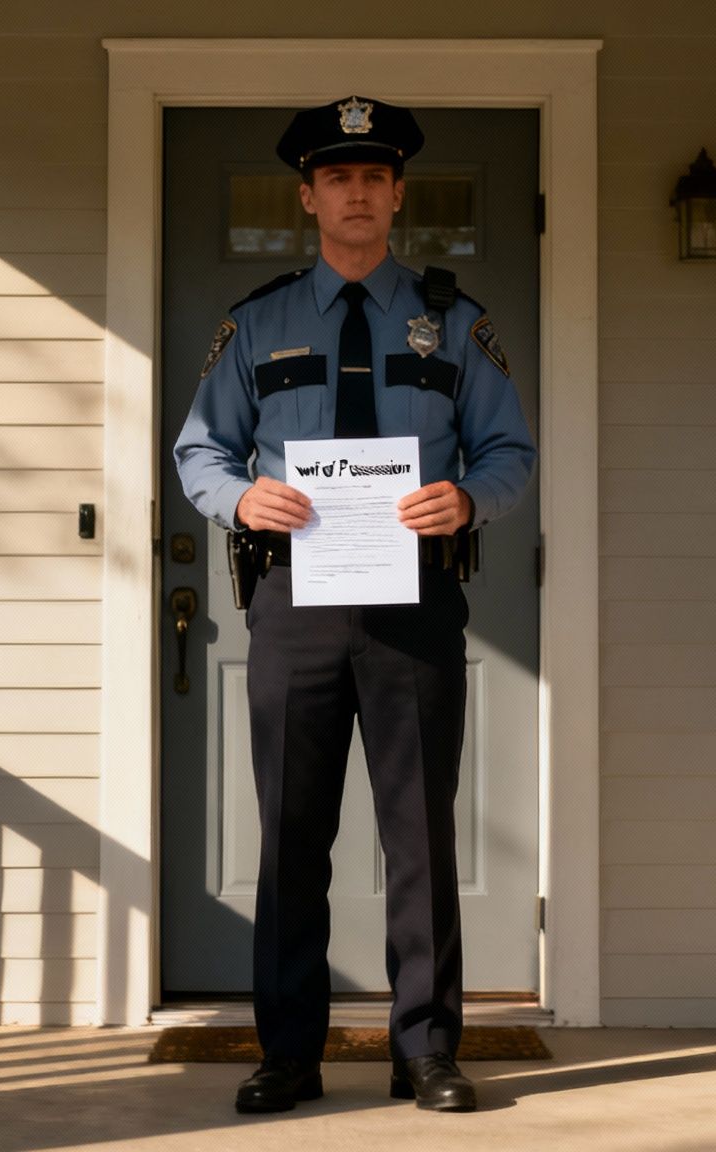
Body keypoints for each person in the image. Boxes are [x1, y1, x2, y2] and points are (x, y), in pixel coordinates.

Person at [171, 95, 538, 1116]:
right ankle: (287, 1052)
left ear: (397, 193)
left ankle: (425, 1050)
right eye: (338, 176)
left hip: (415, 599)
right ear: (308, 196)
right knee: (291, 836)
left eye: (374, 176)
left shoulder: (453, 321)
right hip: (293, 600)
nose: (357, 192)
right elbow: (199, 446)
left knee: (419, 835)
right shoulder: (259, 322)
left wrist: (466, 495)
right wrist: (238, 495)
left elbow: (508, 451)